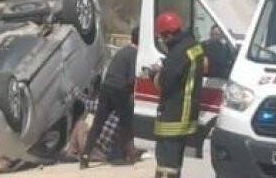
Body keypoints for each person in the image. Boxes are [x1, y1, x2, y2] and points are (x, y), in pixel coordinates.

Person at [150, 11, 205, 178]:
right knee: (176, 159)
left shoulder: (177, 53)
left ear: (167, 35)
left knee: (166, 162)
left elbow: (166, 82)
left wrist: (155, 74)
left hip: (174, 113)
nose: (161, 40)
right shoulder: (193, 46)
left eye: (161, 37)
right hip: (187, 112)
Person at [80, 26, 140, 169]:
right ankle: (117, 156)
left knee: (98, 124)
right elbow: (131, 79)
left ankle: (85, 156)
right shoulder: (134, 54)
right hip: (120, 91)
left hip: (106, 88)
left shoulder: (122, 51)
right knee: (127, 124)